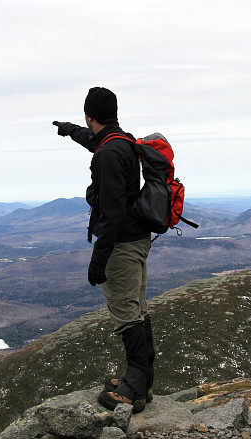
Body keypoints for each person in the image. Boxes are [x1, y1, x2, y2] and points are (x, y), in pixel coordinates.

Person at [53, 87, 155, 413]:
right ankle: (141, 380)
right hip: (136, 239)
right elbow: (94, 139)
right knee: (136, 309)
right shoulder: (120, 141)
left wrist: (98, 261)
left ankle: (134, 390)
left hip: (121, 245)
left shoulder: (110, 154)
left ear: (90, 115)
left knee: (126, 313)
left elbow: (111, 215)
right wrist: (71, 131)